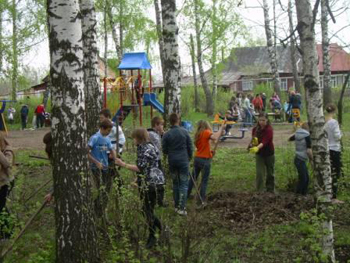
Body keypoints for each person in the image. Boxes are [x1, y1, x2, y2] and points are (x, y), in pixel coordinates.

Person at [115, 128, 164, 249]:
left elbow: (141, 168)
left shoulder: (146, 149)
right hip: (150, 181)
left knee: (147, 210)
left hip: (152, 184)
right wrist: (138, 180)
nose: (133, 141)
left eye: (134, 138)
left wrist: (123, 164)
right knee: (146, 210)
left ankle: (153, 236)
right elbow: (151, 166)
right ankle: (159, 228)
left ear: (139, 138)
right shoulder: (146, 147)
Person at [162, 113, 193, 216]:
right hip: (183, 161)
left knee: (176, 183)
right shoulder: (185, 132)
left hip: (173, 161)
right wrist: (189, 157)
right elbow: (190, 147)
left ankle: (176, 206)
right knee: (184, 184)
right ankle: (182, 208)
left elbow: (164, 150)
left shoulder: (166, 134)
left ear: (169, 121)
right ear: (178, 120)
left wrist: (171, 153)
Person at [188, 120, 224, 206]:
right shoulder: (206, 132)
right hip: (204, 160)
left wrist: (210, 152)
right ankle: (202, 200)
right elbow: (215, 137)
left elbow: (203, 147)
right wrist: (221, 128)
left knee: (193, 178)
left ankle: (187, 194)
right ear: (206, 125)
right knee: (204, 180)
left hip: (197, 158)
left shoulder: (198, 134)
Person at [88, 120, 117, 218]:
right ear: (102, 128)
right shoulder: (95, 138)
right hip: (95, 168)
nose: (109, 132)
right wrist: (96, 162)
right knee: (101, 189)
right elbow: (86, 153)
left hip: (105, 167)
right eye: (108, 130)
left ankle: (99, 210)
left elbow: (111, 149)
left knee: (106, 189)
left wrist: (114, 156)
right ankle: (97, 211)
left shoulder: (107, 139)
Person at [248, 113, 275, 193]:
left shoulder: (269, 130)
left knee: (270, 173)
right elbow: (254, 140)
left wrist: (257, 147)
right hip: (259, 154)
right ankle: (260, 191)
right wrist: (252, 145)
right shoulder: (255, 129)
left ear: (267, 120)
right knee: (260, 173)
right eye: (260, 120)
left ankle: (270, 190)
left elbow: (265, 141)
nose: (261, 122)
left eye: (263, 120)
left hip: (269, 153)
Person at [324, 104, 343, 203]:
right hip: (335, 149)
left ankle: (327, 194)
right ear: (334, 111)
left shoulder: (324, 121)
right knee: (335, 173)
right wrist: (341, 133)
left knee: (328, 172)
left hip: (327, 149)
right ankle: (333, 197)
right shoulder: (333, 122)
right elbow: (337, 136)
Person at [289, 123, 312, 195]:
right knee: (304, 179)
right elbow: (309, 150)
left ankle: (302, 194)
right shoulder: (307, 136)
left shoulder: (297, 134)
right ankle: (300, 194)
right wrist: (312, 160)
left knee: (304, 178)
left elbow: (289, 139)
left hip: (297, 158)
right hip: (301, 160)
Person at [147, 116, 166, 207]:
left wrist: (162, 134)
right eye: (161, 124)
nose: (162, 126)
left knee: (160, 180)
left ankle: (159, 200)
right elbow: (159, 146)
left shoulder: (156, 133)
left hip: (157, 159)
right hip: (154, 161)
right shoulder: (151, 134)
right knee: (158, 180)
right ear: (156, 125)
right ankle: (157, 201)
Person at [0, 132, 14, 238]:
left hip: (5, 183)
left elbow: (7, 164)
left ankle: (7, 234)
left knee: (1, 209)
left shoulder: (8, 151)